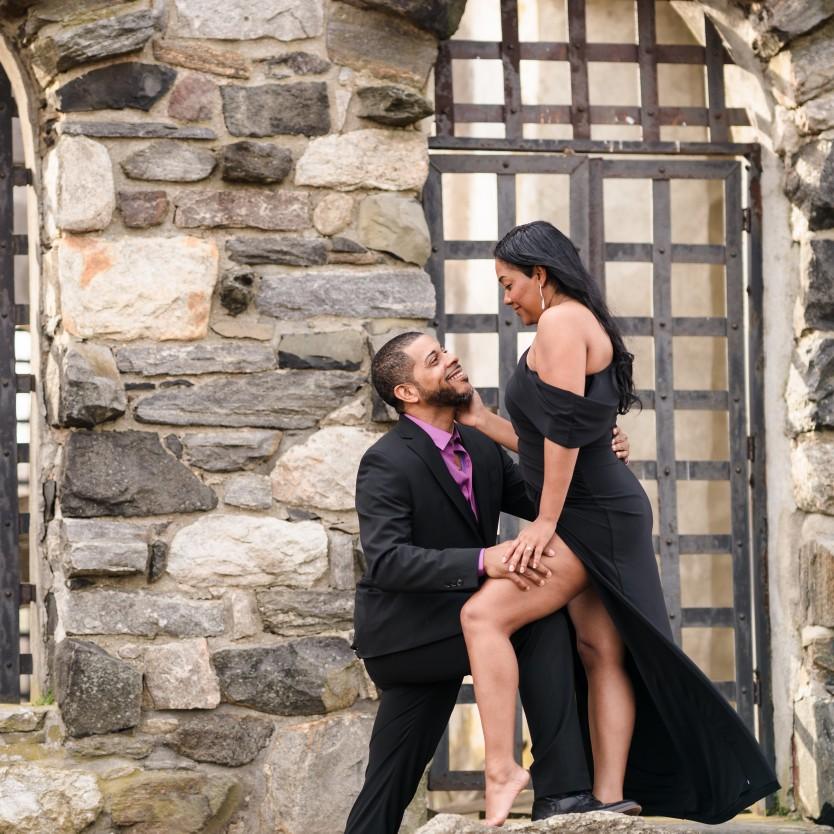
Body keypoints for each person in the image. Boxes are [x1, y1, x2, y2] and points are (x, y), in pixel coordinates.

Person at [456, 220, 779, 826]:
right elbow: (547, 439)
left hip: (593, 514)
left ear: (540, 274)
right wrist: (479, 420)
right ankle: (609, 797)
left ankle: (502, 769)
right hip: (599, 507)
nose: (507, 298)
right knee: (600, 648)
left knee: (483, 616)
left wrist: (544, 521)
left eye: (508, 284)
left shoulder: (560, 323)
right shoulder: (575, 320)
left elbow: (565, 437)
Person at [344, 330, 633, 834]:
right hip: (407, 635)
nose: (451, 359)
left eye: (444, 350)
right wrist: (484, 561)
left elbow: (545, 500)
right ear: (407, 392)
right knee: (535, 625)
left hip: (462, 625)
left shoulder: (478, 445)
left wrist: (597, 458)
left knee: (388, 782)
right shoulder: (386, 460)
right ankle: (563, 794)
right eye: (434, 359)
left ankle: (562, 794)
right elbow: (388, 562)